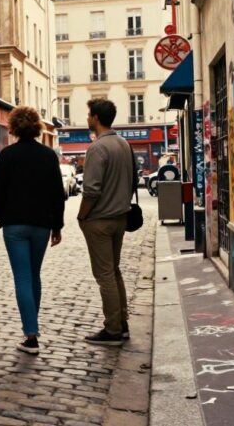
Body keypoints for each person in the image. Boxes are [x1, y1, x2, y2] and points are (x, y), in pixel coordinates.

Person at [0, 107, 65, 355]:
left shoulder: (8, 155)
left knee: (22, 278)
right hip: (41, 224)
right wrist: (58, 225)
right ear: (37, 127)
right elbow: (57, 194)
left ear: (14, 127)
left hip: (14, 225)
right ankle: (31, 325)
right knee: (34, 275)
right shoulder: (49, 155)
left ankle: (31, 335)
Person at [78, 98, 136, 346]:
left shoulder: (97, 148)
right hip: (120, 217)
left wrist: (81, 216)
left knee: (104, 275)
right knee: (114, 271)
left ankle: (112, 329)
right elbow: (134, 180)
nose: (88, 118)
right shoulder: (124, 144)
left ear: (96, 118)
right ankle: (122, 323)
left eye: (89, 114)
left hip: (99, 219)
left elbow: (91, 190)